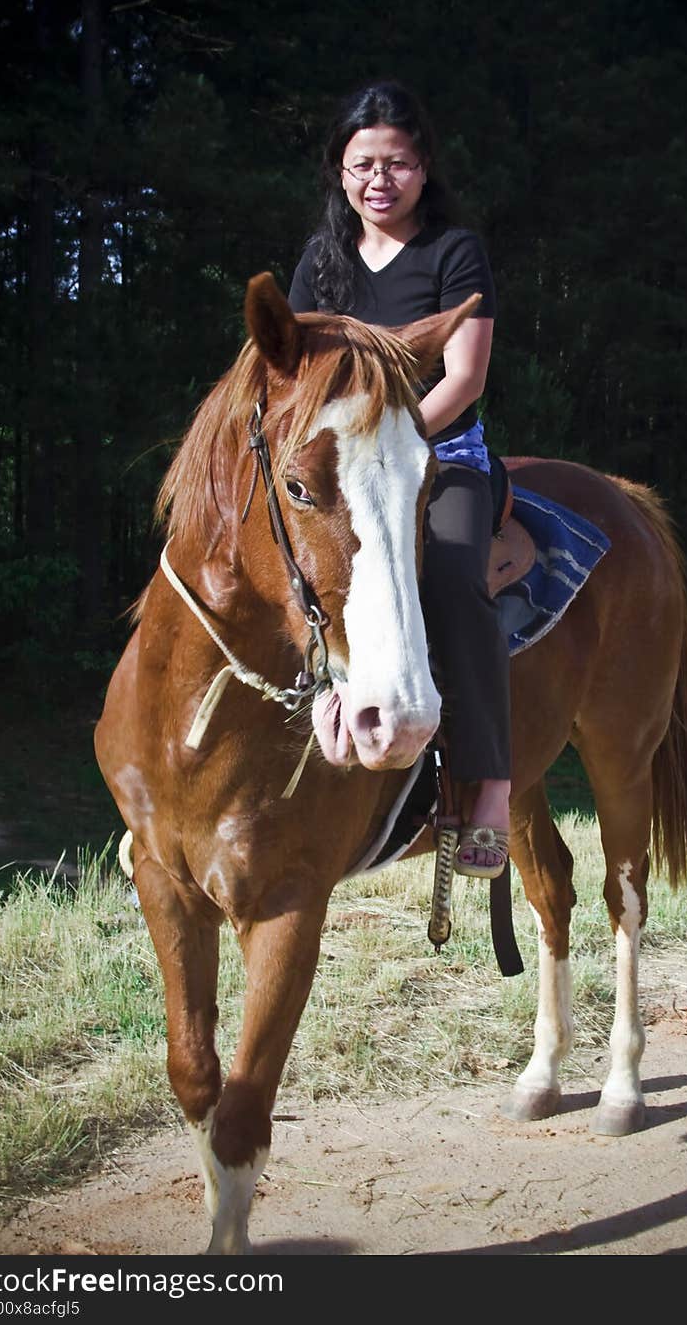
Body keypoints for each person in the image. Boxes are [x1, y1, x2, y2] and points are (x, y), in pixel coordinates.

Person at [288, 81, 510, 879]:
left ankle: (492, 792)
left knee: (452, 578)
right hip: (348, 469)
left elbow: (466, 376)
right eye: (362, 165)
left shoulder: (455, 251)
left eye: (398, 163)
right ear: (340, 173)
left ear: (423, 169)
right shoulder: (322, 261)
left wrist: (394, 446)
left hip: (438, 454)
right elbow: (298, 377)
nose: (379, 179)